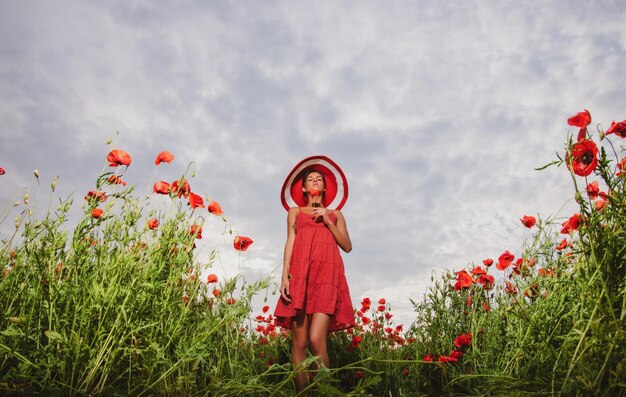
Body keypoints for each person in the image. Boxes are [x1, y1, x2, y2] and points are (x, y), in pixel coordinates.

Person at [274, 155, 355, 393]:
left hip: (327, 276)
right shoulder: (295, 211)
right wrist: (285, 276)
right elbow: (291, 241)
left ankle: (325, 392)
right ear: (303, 187)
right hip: (301, 275)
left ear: (325, 187)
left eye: (319, 178)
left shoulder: (336, 213)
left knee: (316, 338)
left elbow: (348, 246)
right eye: (310, 178)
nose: (315, 181)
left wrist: (328, 222)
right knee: (299, 342)